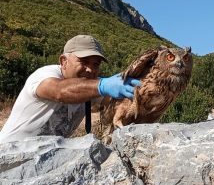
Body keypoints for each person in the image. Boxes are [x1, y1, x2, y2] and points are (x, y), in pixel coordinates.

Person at [0, 35, 140, 143]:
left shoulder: (89, 88)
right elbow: (59, 91)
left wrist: (142, 91)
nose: (90, 69)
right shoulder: (45, 74)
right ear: (63, 61)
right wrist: (102, 85)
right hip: (9, 155)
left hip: (42, 162)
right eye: (84, 62)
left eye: (95, 64)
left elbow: (114, 103)